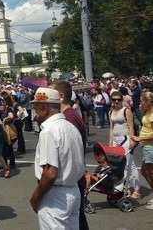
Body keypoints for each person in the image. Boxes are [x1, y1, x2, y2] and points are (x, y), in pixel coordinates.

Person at [29, 87, 85, 230]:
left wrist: (36, 197)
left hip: (55, 195)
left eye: (35, 106)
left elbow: (50, 173)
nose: (34, 110)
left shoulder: (48, 131)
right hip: (73, 190)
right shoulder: (70, 127)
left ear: (44, 107)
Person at [50, 80, 89, 230]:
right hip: (73, 177)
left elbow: (69, 151)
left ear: (60, 96)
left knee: (76, 221)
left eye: (50, 92)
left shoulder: (68, 117)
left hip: (71, 178)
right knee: (78, 219)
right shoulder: (67, 114)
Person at [109, 90, 140, 199]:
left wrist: (132, 139)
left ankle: (136, 189)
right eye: (114, 99)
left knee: (129, 164)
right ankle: (125, 188)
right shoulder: (111, 111)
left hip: (125, 138)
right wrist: (110, 143)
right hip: (116, 139)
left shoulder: (126, 110)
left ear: (122, 99)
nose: (116, 101)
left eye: (119, 99)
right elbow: (111, 129)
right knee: (119, 165)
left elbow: (131, 126)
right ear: (111, 100)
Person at [131, 91, 153, 210]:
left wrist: (140, 137)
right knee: (146, 172)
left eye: (142, 102)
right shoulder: (147, 113)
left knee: (148, 171)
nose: (140, 104)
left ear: (147, 102)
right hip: (146, 146)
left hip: (150, 146)